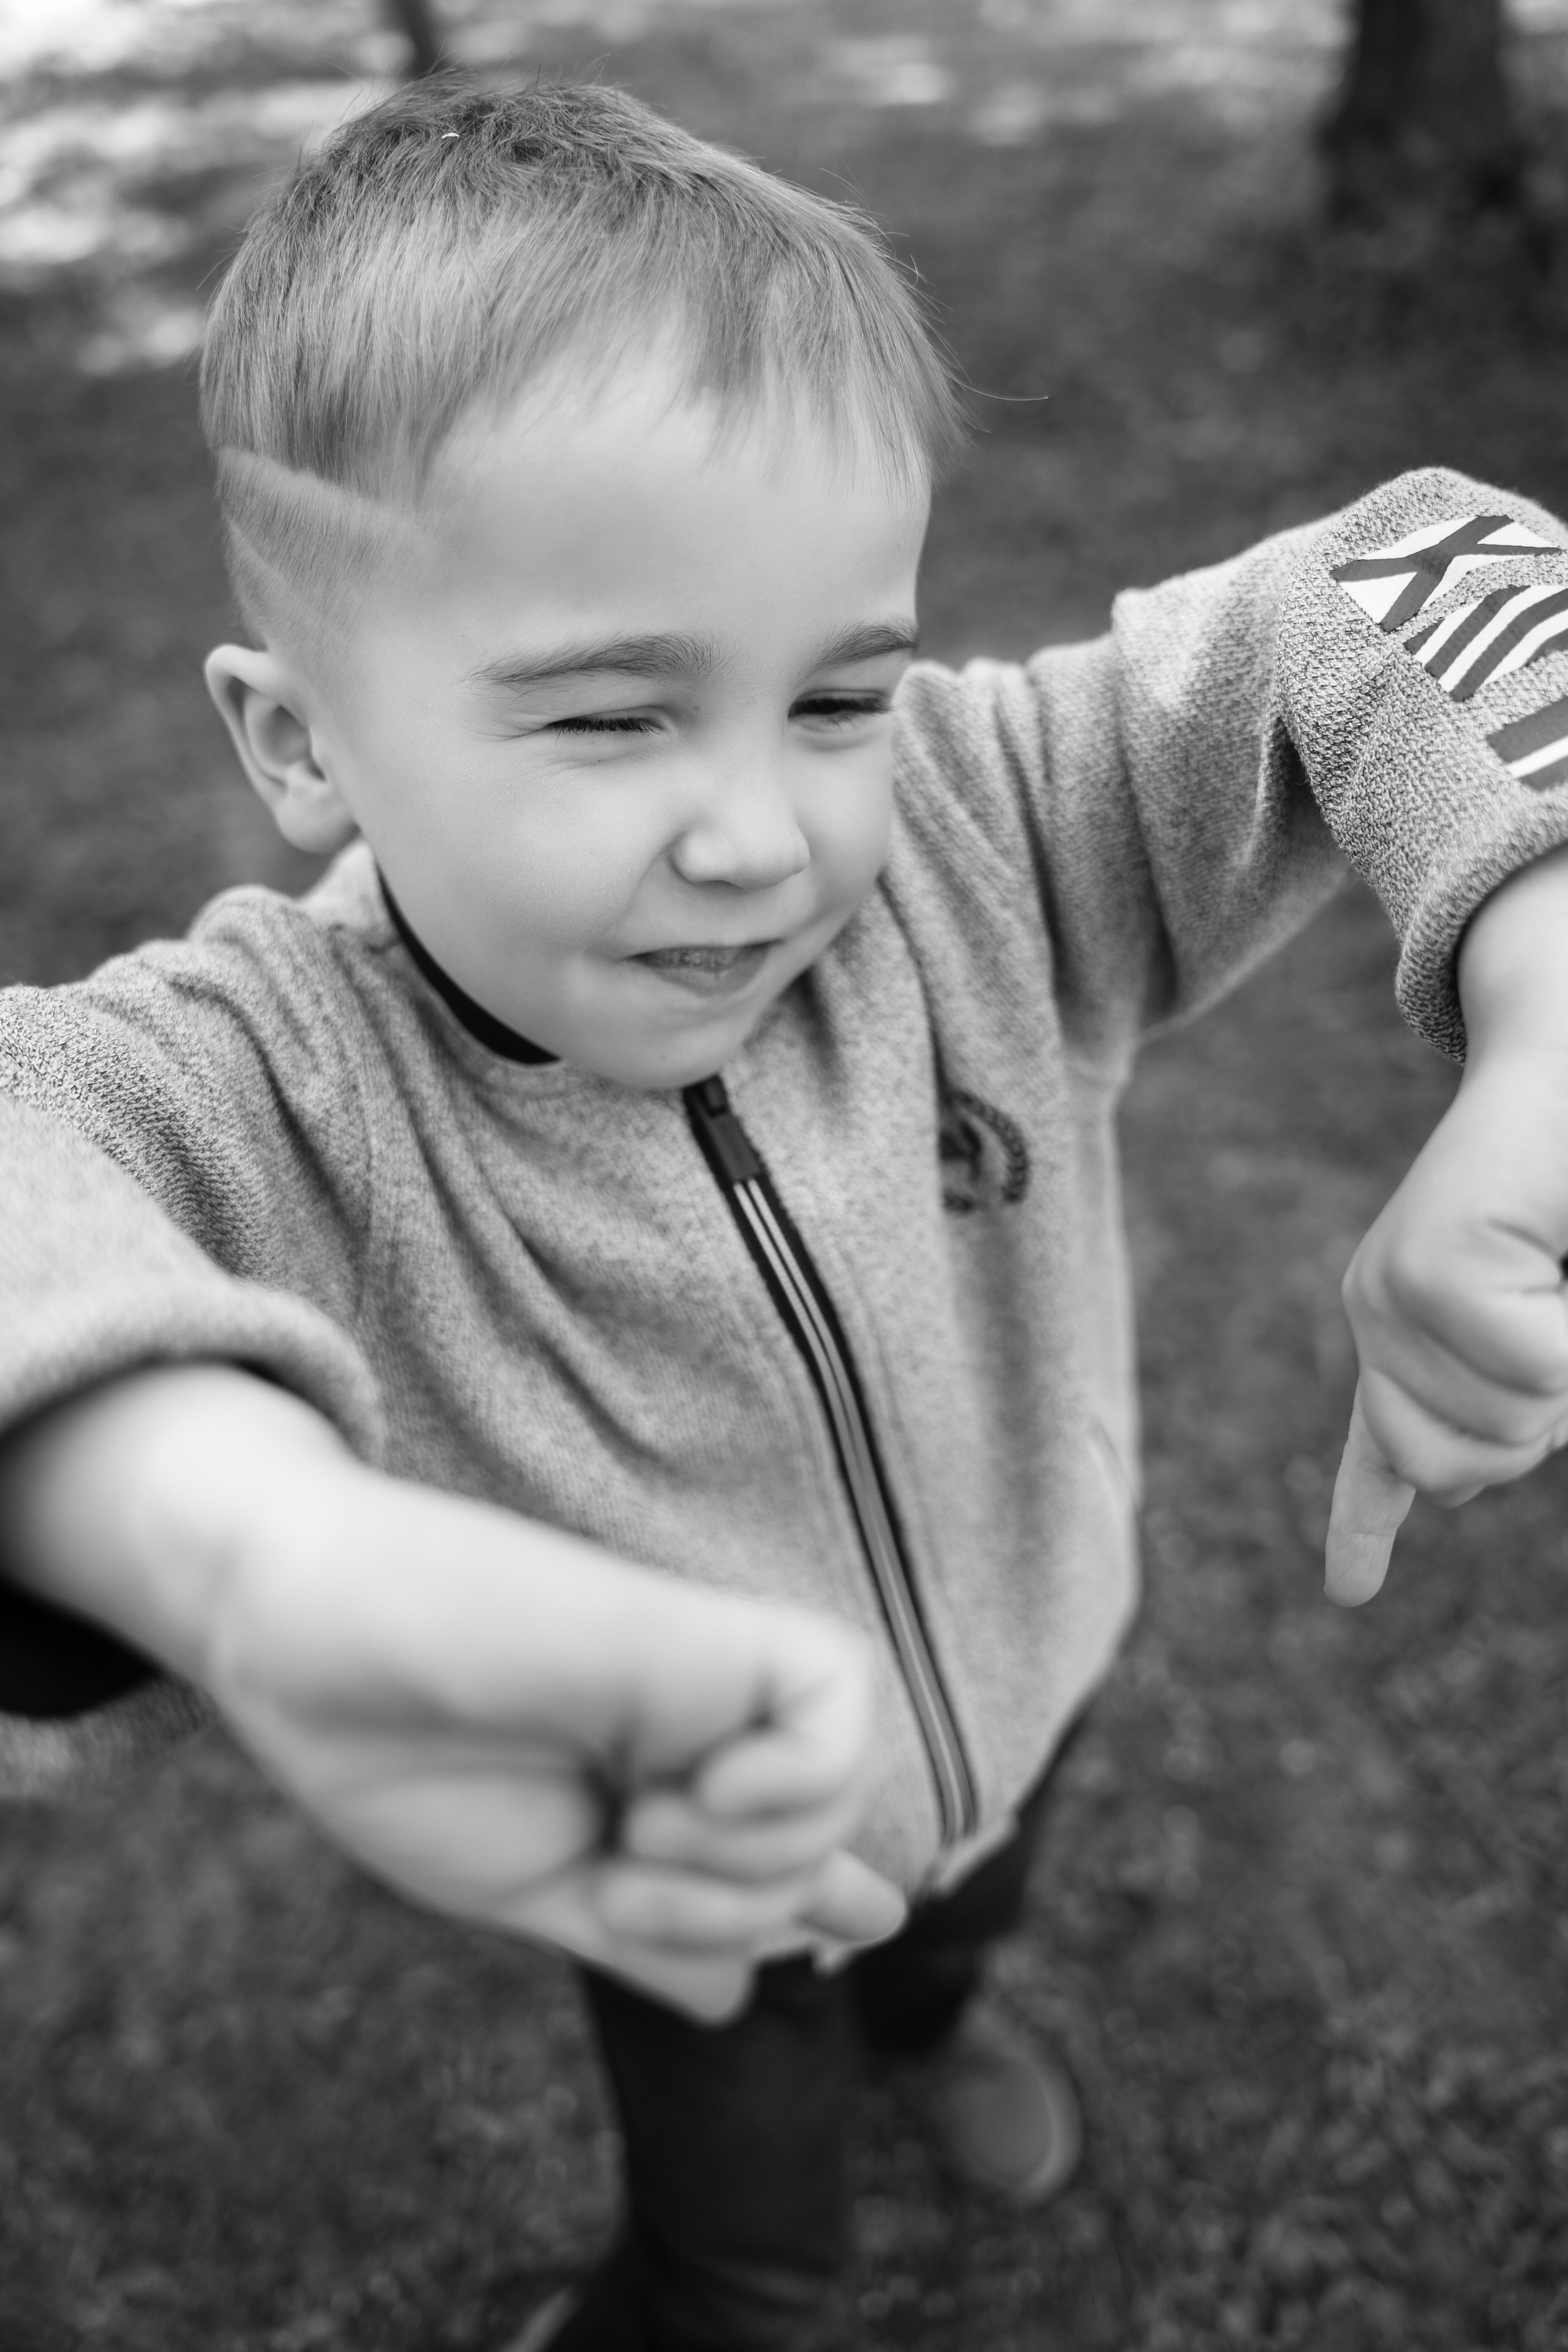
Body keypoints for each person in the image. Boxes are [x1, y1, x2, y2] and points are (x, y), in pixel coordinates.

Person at [3, 76, 1568, 2352]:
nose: (764, 836)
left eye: (839, 691)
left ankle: (938, 2019)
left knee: (959, 1924)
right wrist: (249, 1557)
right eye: (609, 719)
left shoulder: (983, 838)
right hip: (693, 1848)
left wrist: (1549, 1010)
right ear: (300, 741)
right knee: (751, 2266)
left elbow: (1422, 574)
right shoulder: (270, 1079)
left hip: (1032, 1672)